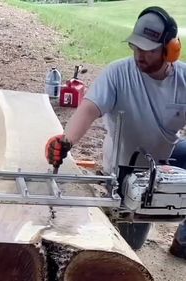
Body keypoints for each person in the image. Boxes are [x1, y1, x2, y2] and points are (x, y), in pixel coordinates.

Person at [45, 6, 186, 257]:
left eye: (149, 50)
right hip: (126, 169)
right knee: (129, 245)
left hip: (166, 159)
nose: (139, 55)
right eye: (136, 47)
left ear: (170, 50)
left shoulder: (183, 80)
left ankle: (183, 241)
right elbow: (88, 109)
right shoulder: (118, 73)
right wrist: (66, 141)